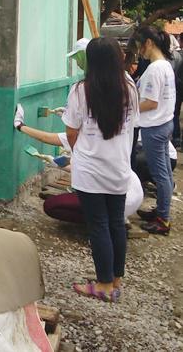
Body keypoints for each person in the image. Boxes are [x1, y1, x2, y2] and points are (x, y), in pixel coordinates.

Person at [61, 37, 139, 303]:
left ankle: (104, 285)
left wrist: (79, 152)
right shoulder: (129, 87)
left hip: (90, 170)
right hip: (119, 167)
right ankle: (116, 279)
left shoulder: (81, 90)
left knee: (98, 225)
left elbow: (71, 131)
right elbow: (132, 126)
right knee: (116, 222)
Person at [13, 105, 143, 225]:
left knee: (51, 205)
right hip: (131, 195)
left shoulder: (77, 135)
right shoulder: (107, 133)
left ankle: (101, 221)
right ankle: (115, 218)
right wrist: (56, 163)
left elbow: (45, 137)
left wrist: (20, 125)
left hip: (114, 197)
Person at [132, 25, 176, 235]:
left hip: (154, 127)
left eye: (140, 46)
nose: (140, 51)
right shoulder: (165, 65)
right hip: (165, 123)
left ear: (148, 43)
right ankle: (160, 210)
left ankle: (163, 220)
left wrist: (129, 108)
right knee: (165, 171)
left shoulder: (155, 68)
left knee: (160, 175)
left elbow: (150, 102)